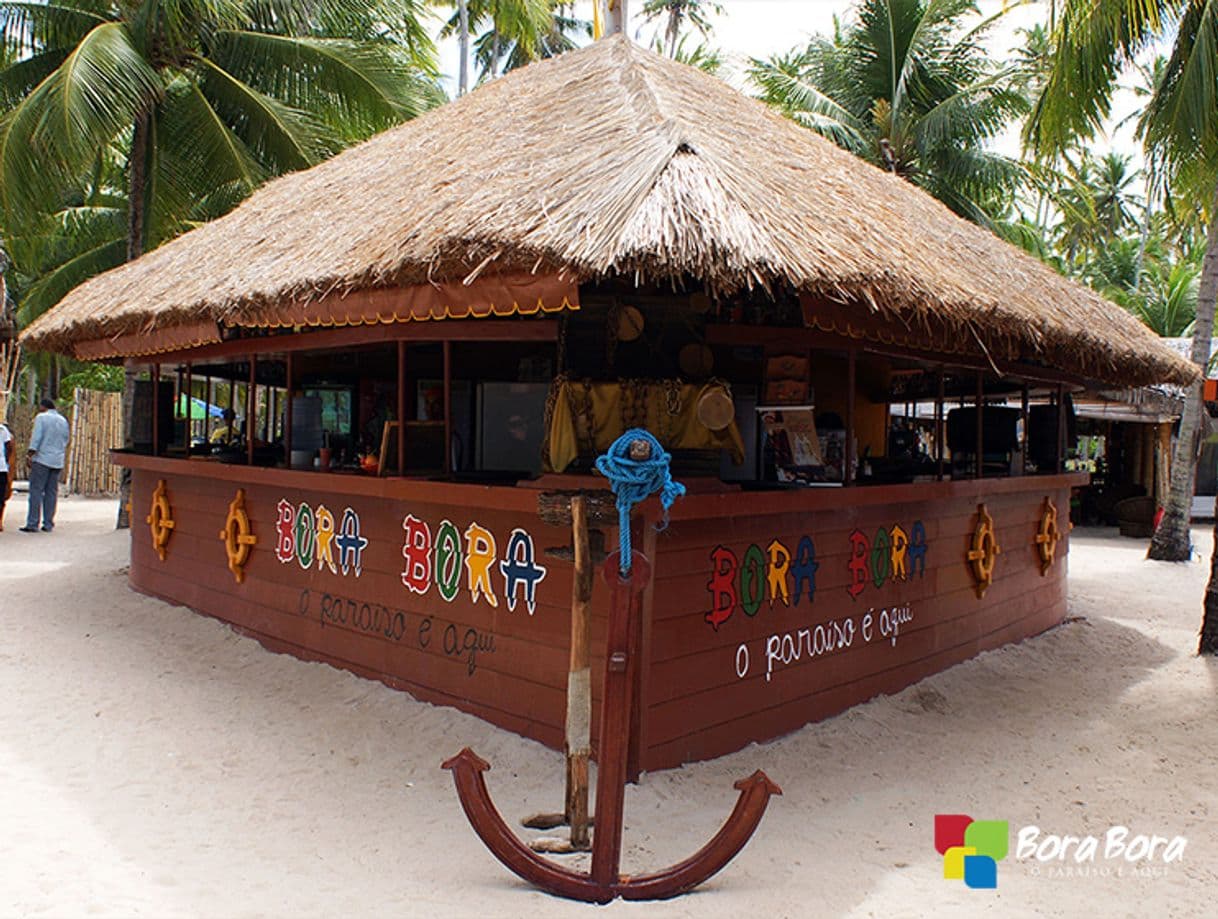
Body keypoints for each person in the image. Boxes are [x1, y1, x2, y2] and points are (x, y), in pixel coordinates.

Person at [21, 398, 70, 533]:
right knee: (51, 492)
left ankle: (32, 523)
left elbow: (37, 437)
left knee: (36, 491)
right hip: (57, 460)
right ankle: (48, 523)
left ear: (43, 406)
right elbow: (66, 439)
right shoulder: (63, 420)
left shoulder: (41, 418)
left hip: (42, 459)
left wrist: (30, 454)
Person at [0, 417, 13, 531]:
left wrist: (6, 461)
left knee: (1, 496)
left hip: (1, 467)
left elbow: (9, 447)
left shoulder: (2, 430)